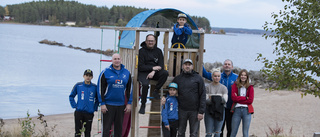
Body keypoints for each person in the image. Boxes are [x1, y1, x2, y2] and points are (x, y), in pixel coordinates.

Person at [97, 53, 133, 137]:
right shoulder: (105, 72)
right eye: (115, 59)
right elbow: (100, 89)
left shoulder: (127, 73)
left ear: (121, 60)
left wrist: (129, 103)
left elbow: (130, 89)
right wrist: (102, 103)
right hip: (108, 105)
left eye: (118, 59)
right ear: (112, 60)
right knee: (106, 130)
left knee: (119, 130)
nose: (117, 61)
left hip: (121, 105)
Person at [202, 59, 238, 137]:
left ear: (232, 66)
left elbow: (245, 82)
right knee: (219, 130)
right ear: (223, 66)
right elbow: (205, 74)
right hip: (219, 108)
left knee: (230, 129)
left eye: (229, 64)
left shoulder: (236, 77)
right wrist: (199, 61)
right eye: (225, 64)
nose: (227, 65)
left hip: (231, 107)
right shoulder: (218, 75)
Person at [172, 59, 206, 137]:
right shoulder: (178, 79)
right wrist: (164, 97)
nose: (187, 66)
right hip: (181, 110)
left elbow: (203, 94)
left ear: (192, 66)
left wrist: (201, 111)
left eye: (189, 65)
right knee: (180, 132)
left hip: (195, 111)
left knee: (194, 134)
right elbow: (171, 91)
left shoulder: (198, 78)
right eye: (186, 64)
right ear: (182, 66)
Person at [138, 34, 168, 114]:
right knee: (145, 84)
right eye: (149, 41)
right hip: (143, 72)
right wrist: (152, 68)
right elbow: (141, 67)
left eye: (152, 41)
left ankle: (156, 90)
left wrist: (153, 71)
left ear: (155, 42)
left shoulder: (158, 51)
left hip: (155, 72)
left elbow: (161, 66)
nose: (150, 42)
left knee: (165, 73)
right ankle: (143, 104)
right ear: (146, 41)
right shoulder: (141, 51)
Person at [69, 69, 100, 137]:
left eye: (90, 76)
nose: (88, 77)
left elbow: (98, 99)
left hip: (89, 113)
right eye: (87, 75)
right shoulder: (78, 85)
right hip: (79, 112)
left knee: (87, 132)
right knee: (78, 132)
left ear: (92, 77)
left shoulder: (94, 87)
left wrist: (94, 108)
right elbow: (71, 96)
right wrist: (75, 106)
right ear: (83, 76)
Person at [230, 69, 254, 137]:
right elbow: (234, 98)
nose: (243, 77)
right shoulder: (235, 85)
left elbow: (250, 100)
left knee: (245, 133)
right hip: (236, 110)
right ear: (239, 76)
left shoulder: (250, 87)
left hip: (247, 111)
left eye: (245, 75)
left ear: (247, 77)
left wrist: (238, 98)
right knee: (233, 132)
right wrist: (245, 98)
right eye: (242, 75)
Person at [204, 68, 228, 137]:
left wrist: (212, 97)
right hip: (209, 111)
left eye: (218, 76)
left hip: (220, 111)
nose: (216, 78)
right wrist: (218, 98)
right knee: (208, 133)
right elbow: (206, 101)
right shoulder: (208, 87)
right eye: (215, 76)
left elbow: (225, 100)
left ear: (220, 77)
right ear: (212, 77)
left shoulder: (224, 88)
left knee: (217, 133)